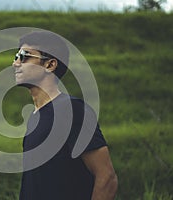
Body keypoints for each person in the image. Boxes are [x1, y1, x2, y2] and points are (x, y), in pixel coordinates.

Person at [12, 31, 118, 200]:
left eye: (24, 56)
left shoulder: (72, 110)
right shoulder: (35, 117)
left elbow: (107, 178)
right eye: (16, 56)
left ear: (50, 65)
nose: (15, 63)